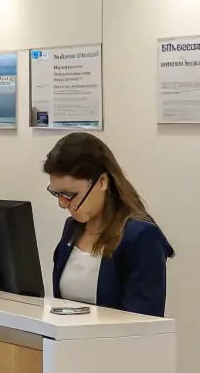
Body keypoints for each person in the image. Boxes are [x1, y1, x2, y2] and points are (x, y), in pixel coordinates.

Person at [44, 132, 173, 316]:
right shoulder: (72, 228)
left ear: (103, 182)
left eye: (71, 195)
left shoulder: (141, 236)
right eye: (57, 194)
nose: (63, 204)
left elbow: (143, 321)